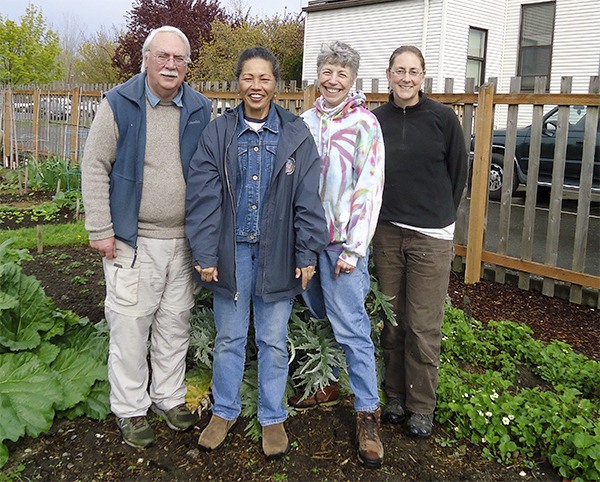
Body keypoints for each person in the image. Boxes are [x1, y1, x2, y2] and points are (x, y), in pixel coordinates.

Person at [185, 47, 328, 460]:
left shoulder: (296, 135)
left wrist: (306, 255)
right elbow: (203, 198)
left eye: (264, 79)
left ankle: (272, 416)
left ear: (276, 85)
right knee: (229, 337)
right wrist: (206, 252)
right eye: (249, 78)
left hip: (278, 255)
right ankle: (225, 411)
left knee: (273, 339)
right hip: (231, 254)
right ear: (238, 83)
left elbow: (308, 202)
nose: (256, 87)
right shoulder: (219, 133)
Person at [81, 26, 212, 449]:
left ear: (188, 65)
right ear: (147, 59)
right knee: (131, 327)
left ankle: (169, 398)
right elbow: (95, 165)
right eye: (163, 56)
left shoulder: (199, 107)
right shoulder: (119, 103)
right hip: (132, 242)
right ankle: (131, 408)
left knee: (175, 324)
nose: (171, 65)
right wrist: (100, 228)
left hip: (183, 241)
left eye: (179, 58)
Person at [293, 40, 385, 469]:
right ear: (319, 74)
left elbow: (369, 188)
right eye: (327, 71)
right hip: (308, 243)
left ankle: (368, 413)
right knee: (316, 314)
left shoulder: (366, 125)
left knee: (351, 326)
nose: (333, 80)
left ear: (352, 80)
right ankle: (327, 382)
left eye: (341, 74)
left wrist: (354, 247)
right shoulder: (303, 123)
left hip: (343, 247)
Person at [371, 45, 468, 438]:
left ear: (422, 77)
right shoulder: (375, 120)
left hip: (430, 238)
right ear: (389, 74)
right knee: (393, 323)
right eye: (399, 71)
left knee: (424, 325)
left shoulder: (443, 119)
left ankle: (421, 406)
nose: (406, 78)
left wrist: (438, 216)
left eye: (413, 71)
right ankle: (394, 396)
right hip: (388, 232)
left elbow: (458, 174)